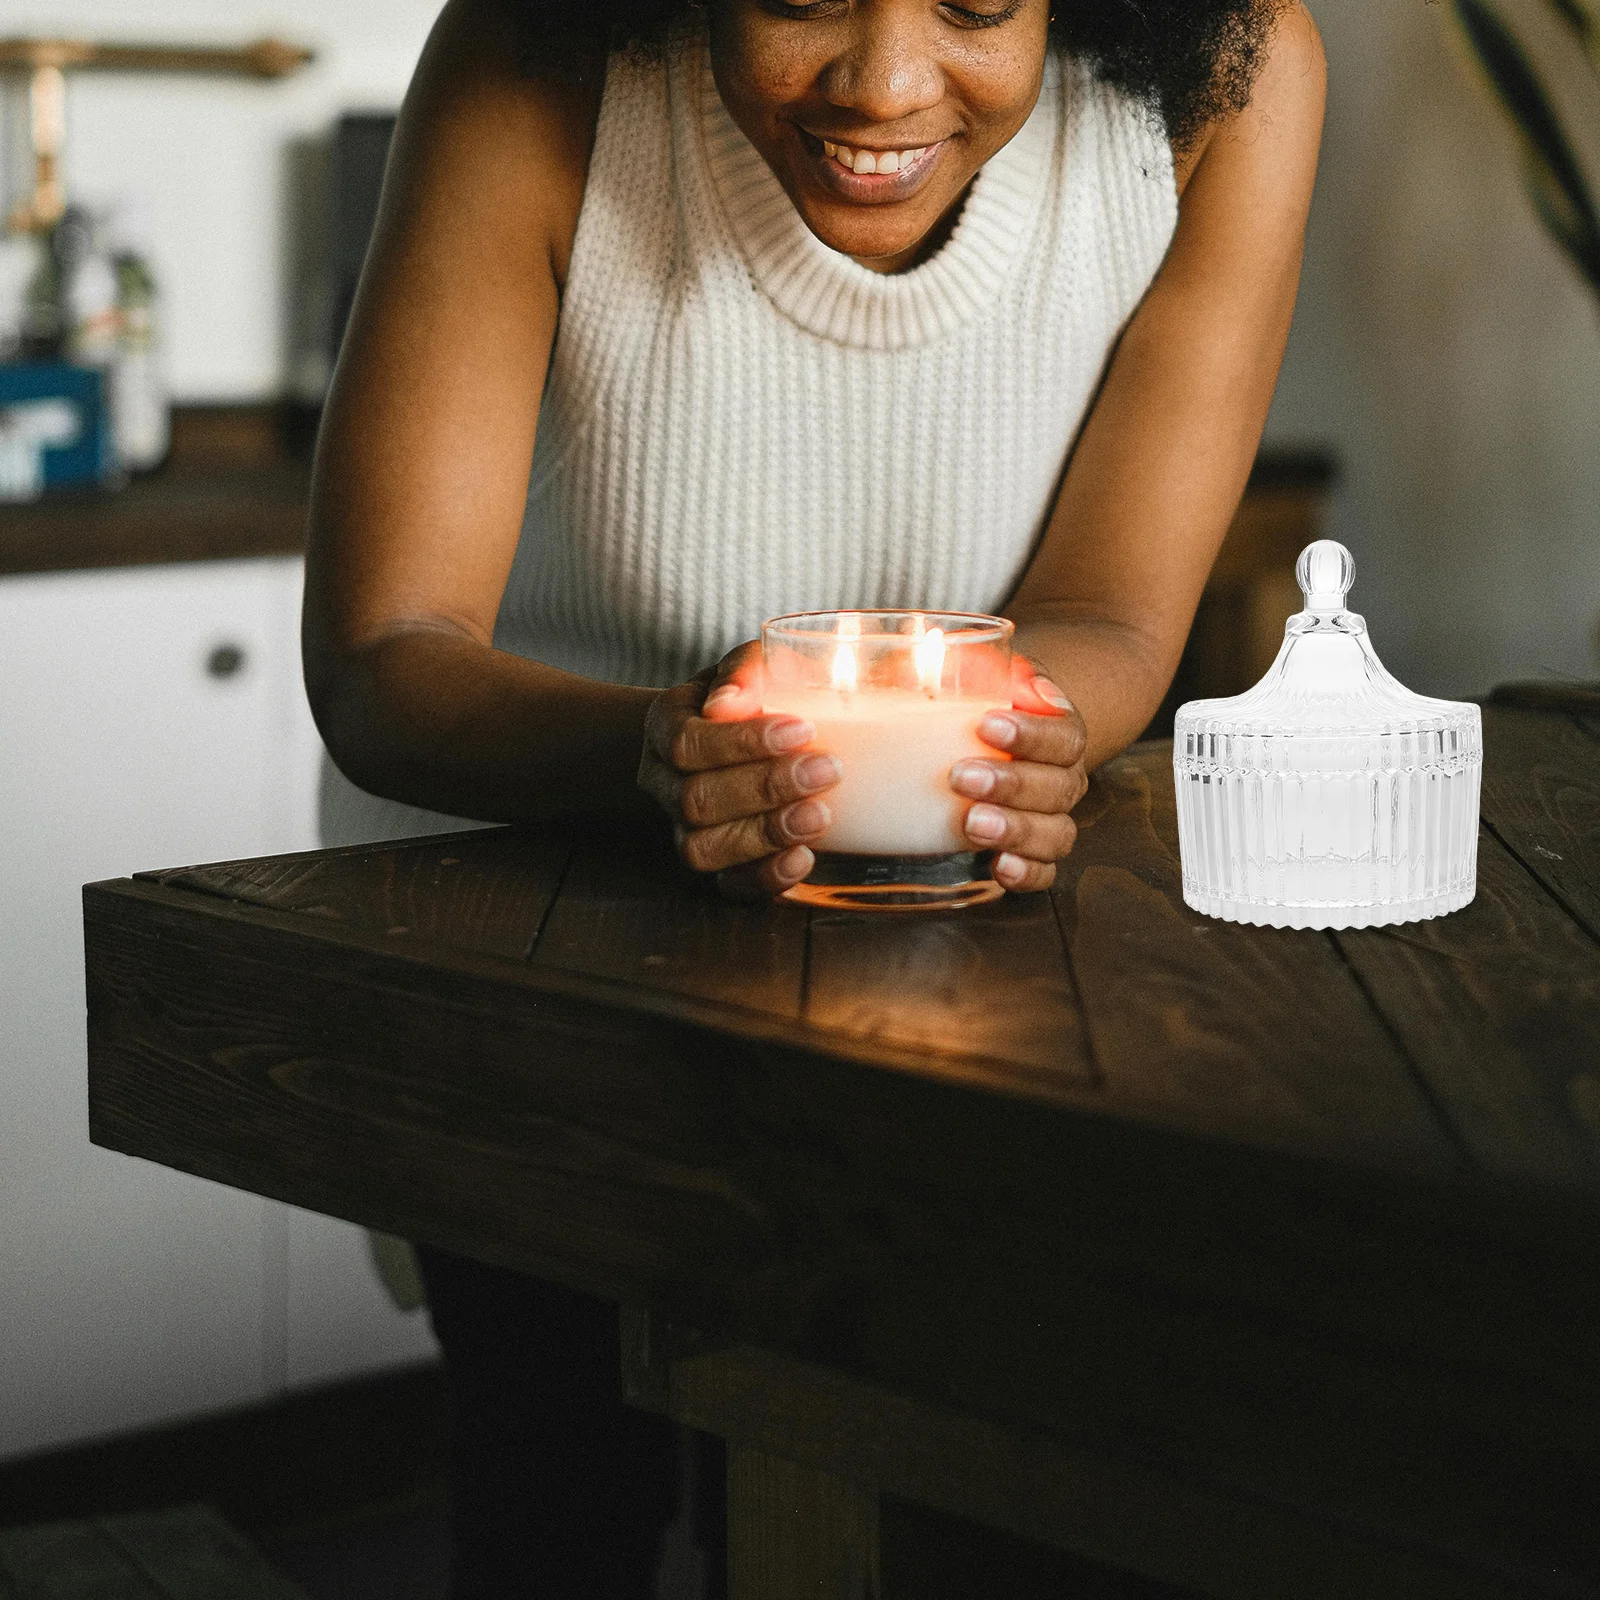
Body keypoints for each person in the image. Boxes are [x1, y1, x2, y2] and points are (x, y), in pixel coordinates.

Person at [303, 0, 1324, 1589]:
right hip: (520, 951)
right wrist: (656, 754)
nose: (886, 87)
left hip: (939, 968)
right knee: (554, 1499)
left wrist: (1029, 733)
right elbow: (384, 655)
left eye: (979, 4)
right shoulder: (538, 59)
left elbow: (1116, 616)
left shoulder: (1234, 80)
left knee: (890, 1505)